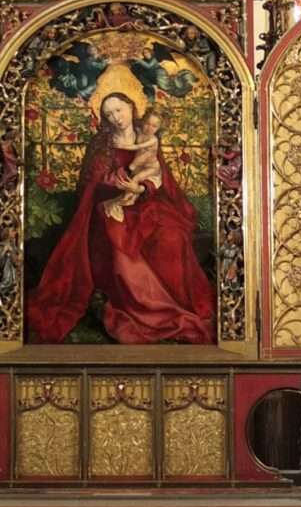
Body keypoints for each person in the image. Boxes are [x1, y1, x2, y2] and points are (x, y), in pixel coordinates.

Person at [27, 92, 215, 344]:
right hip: (108, 205)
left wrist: (140, 189)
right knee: (117, 236)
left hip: (146, 204)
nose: (116, 117)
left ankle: (180, 303)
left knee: (172, 235)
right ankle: (143, 307)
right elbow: (91, 184)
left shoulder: (146, 136)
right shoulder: (101, 143)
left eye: (119, 110)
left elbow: (159, 176)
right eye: (109, 114)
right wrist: (113, 184)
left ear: (131, 106)